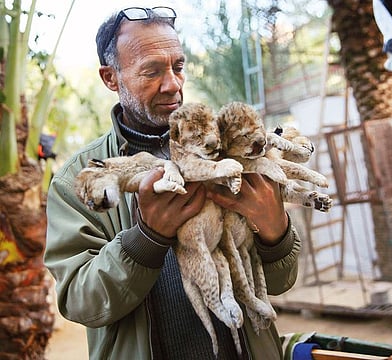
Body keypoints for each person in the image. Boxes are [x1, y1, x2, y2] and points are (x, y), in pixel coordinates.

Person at [44, 6, 301, 360]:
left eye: (178, 67)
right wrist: (146, 239)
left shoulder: (231, 146)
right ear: (110, 78)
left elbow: (281, 282)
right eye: (151, 71)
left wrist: (276, 232)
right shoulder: (79, 180)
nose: (173, 84)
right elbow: (80, 301)